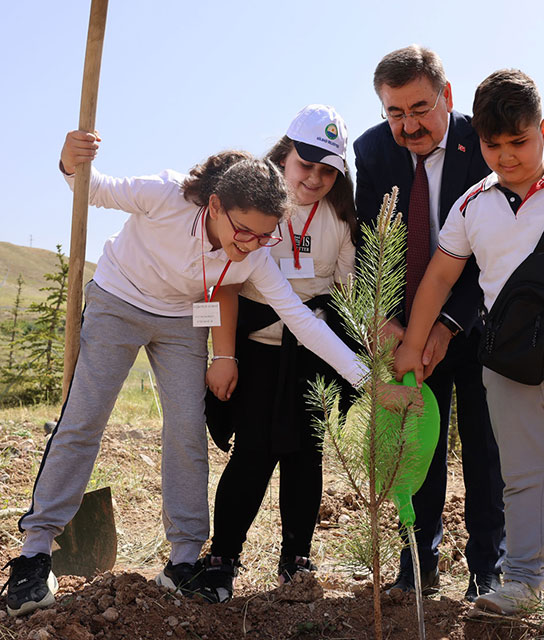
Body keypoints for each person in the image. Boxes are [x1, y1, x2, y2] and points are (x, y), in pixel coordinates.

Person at [3, 129, 374, 616]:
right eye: (244, 231)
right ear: (215, 206)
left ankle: (182, 560)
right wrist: (72, 163)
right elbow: (93, 189)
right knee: (85, 418)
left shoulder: (257, 254)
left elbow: (302, 321)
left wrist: (368, 380)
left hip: (182, 318)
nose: (251, 246)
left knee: (185, 432)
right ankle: (34, 551)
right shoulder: (164, 194)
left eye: (265, 236)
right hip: (120, 300)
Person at [393, 68, 544, 614]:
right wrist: (412, 344)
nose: (506, 156)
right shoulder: (470, 206)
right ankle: (523, 582)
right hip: (505, 366)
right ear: (477, 140)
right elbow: (439, 277)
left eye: (519, 142)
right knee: (521, 478)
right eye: (492, 144)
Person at [353, 44, 506, 602]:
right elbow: (376, 243)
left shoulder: (480, 144)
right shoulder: (372, 151)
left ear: (446, 96)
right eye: (395, 112)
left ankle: (488, 566)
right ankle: (418, 561)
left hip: (478, 319)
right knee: (418, 444)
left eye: (419, 108)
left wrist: (444, 326)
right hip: (408, 331)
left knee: (485, 448)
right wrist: (394, 325)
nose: (408, 125)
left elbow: (491, 251)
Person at [199, 105, 358, 599]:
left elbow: (350, 290)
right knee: (251, 454)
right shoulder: (247, 198)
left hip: (313, 351)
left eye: (327, 170)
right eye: (305, 165)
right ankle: (223, 557)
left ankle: (297, 559)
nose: (314, 178)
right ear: (284, 155)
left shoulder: (340, 217)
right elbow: (217, 282)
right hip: (252, 349)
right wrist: (219, 354)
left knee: (307, 456)